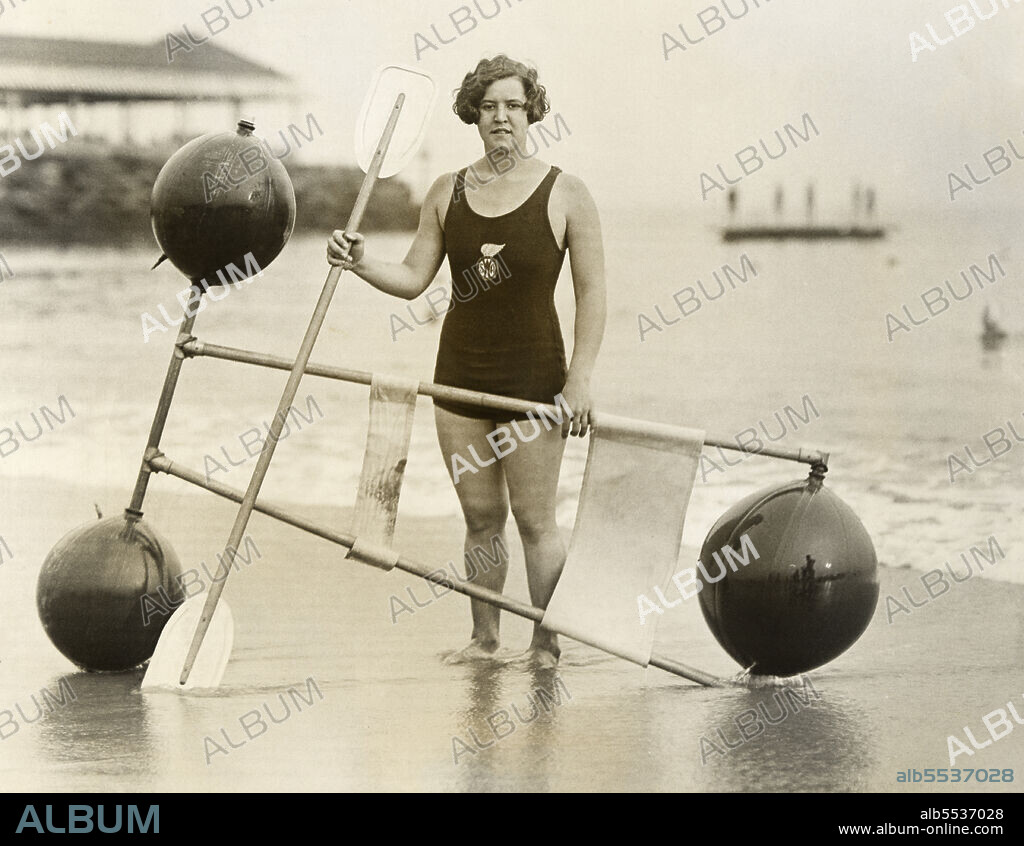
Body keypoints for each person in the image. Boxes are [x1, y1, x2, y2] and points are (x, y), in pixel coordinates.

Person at [327, 55, 607, 668]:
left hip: (535, 381)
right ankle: (484, 641)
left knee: (536, 521)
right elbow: (411, 278)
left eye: (512, 104)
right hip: (458, 377)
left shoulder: (566, 192)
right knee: (482, 518)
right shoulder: (445, 192)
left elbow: (593, 292)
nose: (501, 116)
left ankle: (546, 643)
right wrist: (357, 261)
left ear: (531, 109)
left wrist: (580, 379)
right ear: (473, 115)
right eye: (488, 106)